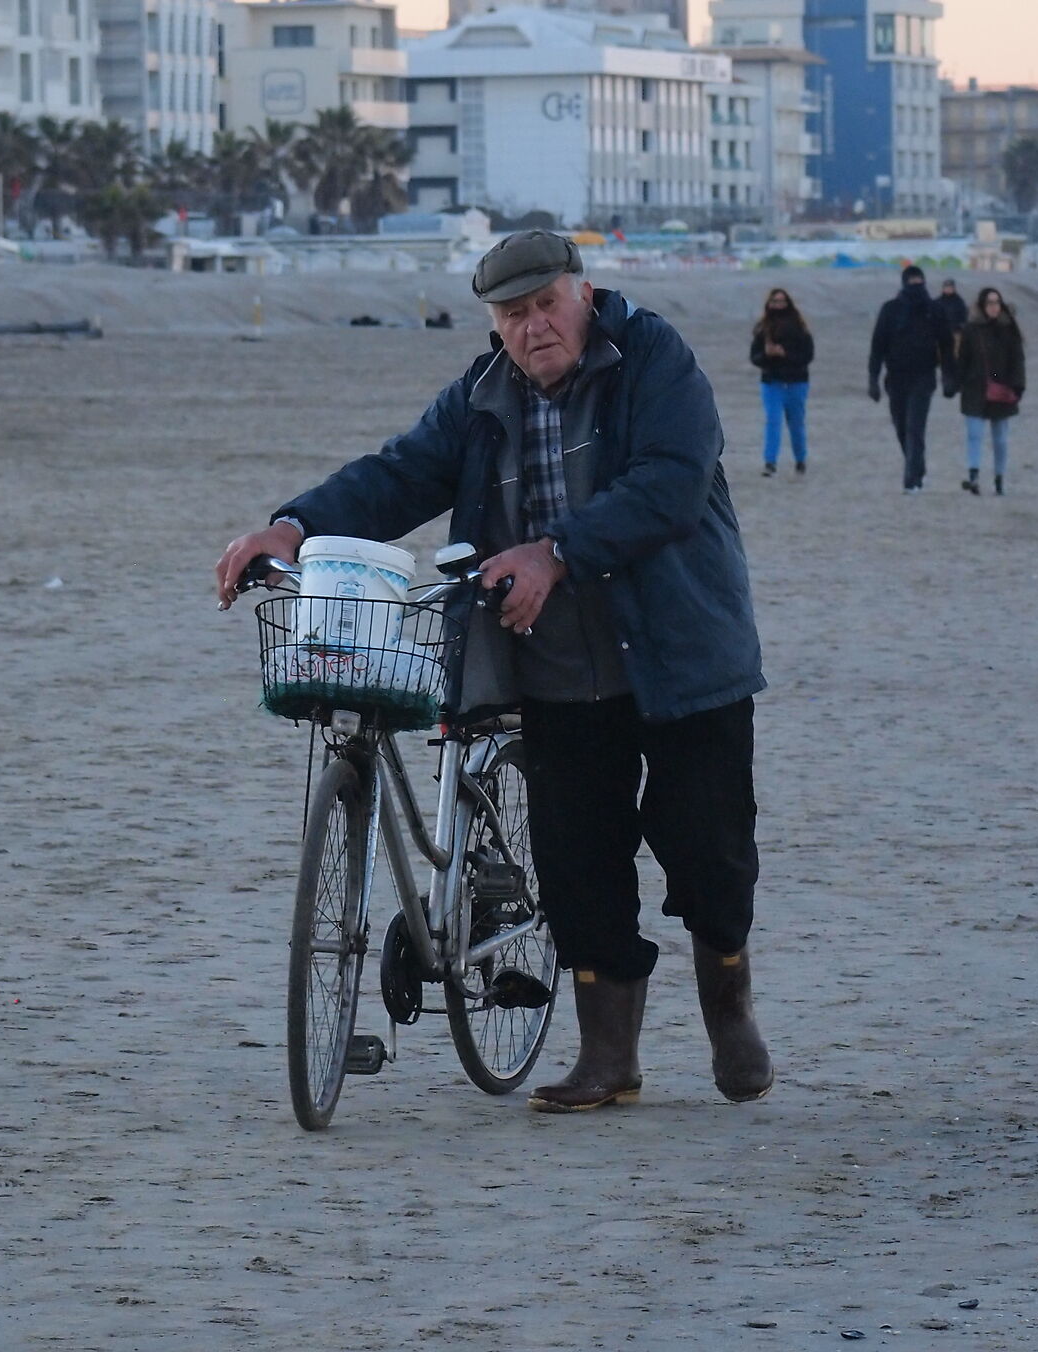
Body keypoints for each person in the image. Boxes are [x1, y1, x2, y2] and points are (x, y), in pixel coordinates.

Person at [212, 230, 775, 1113]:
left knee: (709, 849)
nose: (532, 327)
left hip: (680, 652)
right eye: (512, 314)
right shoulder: (481, 399)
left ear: (582, 293)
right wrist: (292, 524)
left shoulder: (655, 360)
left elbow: (669, 483)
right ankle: (608, 1056)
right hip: (557, 670)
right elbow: (399, 474)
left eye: (545, 304)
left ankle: (728, 1001)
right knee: (577, 863)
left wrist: (556, 551)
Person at [868, 265, 955, 493]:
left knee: (915, 427)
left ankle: (911, 480)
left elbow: (946, 346)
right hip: (895, 378)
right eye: (912, 281)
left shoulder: (934, 310)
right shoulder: (890, 310)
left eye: (920, 281)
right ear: (904, 283)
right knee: (901, 428)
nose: (916, 285)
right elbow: (878, 346)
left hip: (924, 377)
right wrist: (873, 379)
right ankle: (918, 466)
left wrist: (948, 377)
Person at [954, 287, 1024, 497]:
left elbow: (1017, 360)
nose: (994, 307)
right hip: (974, 389)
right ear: (982, 306)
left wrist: (1018, 386)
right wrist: (956, 382)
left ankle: (999, 478)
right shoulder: (971, 330)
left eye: (997, 302)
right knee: (974, 435)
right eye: (990, 303)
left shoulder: (1009, 329)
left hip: (1002, 390)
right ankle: (974, 475)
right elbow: (962, 360)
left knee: (1000, 439)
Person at [748, 287, 814, 477]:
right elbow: (755, 357)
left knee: (796, 424)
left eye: (782, 301)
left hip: (796, 382)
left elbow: (807, 355)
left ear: (788, 303)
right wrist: (767, 355)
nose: (778, 305)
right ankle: (770, 463)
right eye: (775, 301)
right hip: (771, 382)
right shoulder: (763, 328)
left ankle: (800, 460)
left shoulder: (800, 327)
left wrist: (785, 354)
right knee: (773, 421)